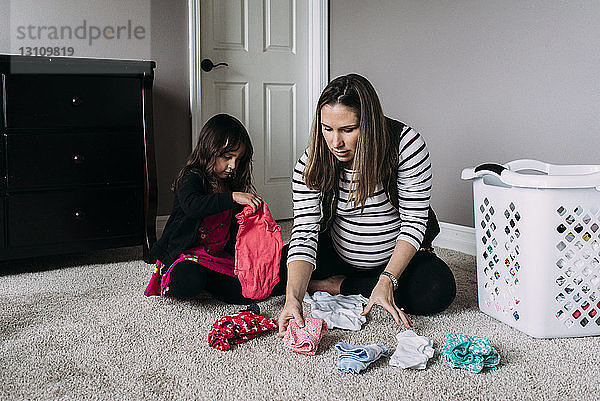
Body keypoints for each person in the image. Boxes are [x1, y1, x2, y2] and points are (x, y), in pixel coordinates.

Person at [278, 74, 456, 335]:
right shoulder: (312, 161)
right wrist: (292, 300)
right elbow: (304, 232)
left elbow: (414, 222)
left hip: (395, 260)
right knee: (280, 269)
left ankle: (340, 286)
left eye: (348, 130)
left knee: (437, 290)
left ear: (370, 124)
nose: (335, 142)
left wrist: (389, 279)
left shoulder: (406, 145)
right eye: (327, 129)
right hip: (339, 254)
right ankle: (361, 285)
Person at [146, 113, 276, 304]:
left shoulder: (229, 183)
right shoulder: (191, 177)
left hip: (216, 256)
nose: (233, 165)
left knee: (249, 292)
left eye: (238, 159)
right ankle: (198, 279)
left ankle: (212, 281)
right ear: (209, 150)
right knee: (186, 283)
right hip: (186, 255)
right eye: (227, 157)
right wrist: (232, 198)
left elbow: (232, 229)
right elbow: (193, 206)